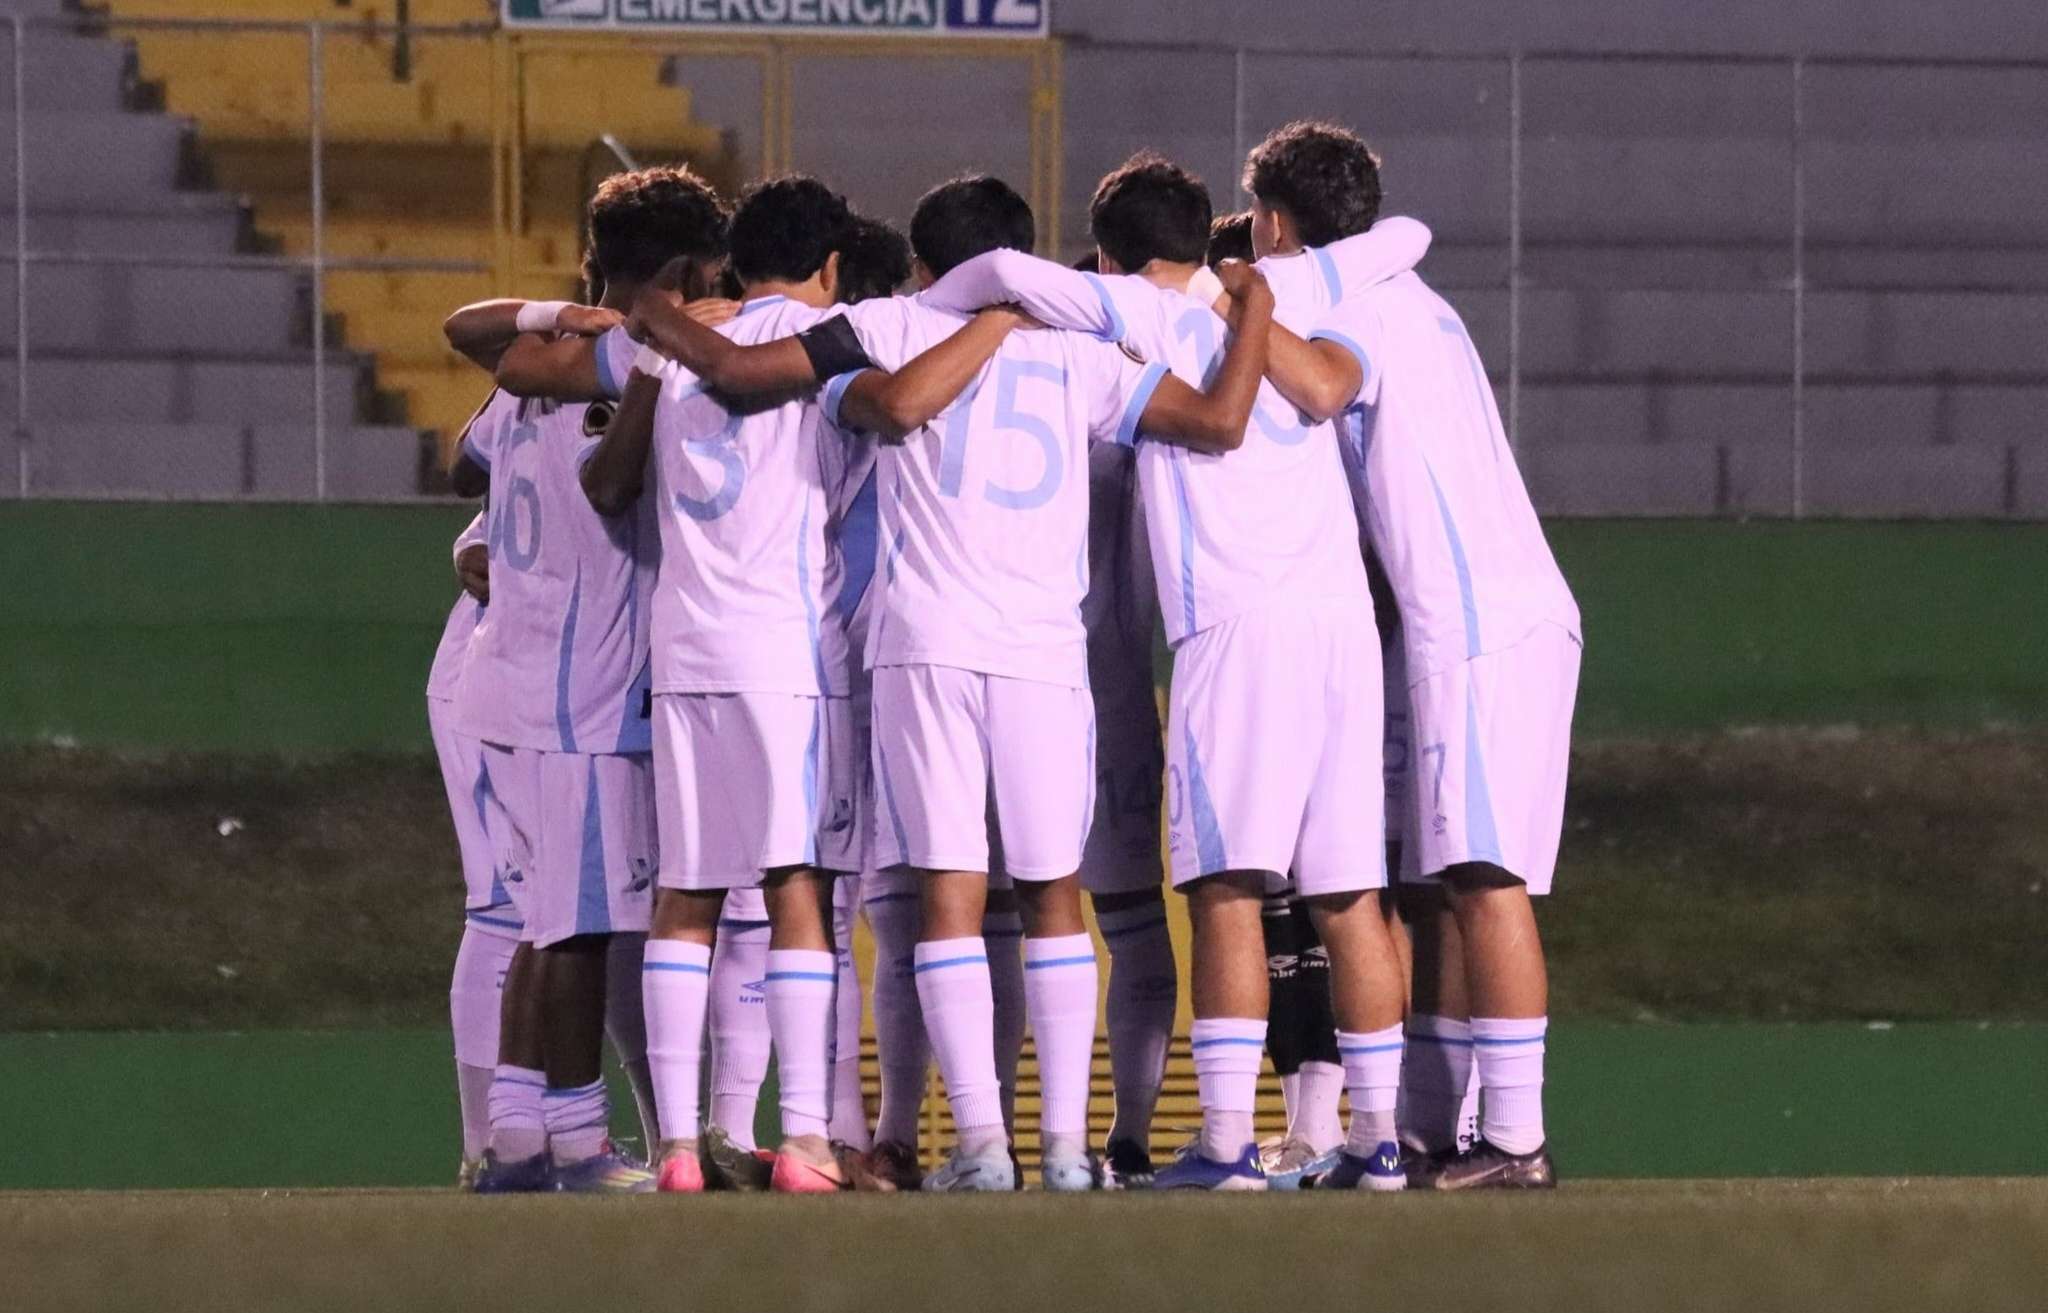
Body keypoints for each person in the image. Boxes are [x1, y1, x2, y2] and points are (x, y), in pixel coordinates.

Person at [627, 173, 1274, 1191]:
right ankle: (1063, 1148)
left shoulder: (884, 322)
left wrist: (651, 309)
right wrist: (1252, 318)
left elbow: (859, 400)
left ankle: (979, 1143)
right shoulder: (1079, 350)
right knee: (1054, 892)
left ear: (924, 265)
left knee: (947, 898)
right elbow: (1217, 422)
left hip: (919, 643)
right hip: (1044, 653)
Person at [919, 151, 1433, 1192]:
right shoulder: (1270, 302)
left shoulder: (1125, 309)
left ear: (1107, 252)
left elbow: (998, 271)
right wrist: (1236, 281)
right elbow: (1405, 235)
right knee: (1346, 893)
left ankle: (1225, 1147)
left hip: (1235, 628)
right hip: (1337, 625)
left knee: (1225, 885)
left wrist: (939, 306)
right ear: (1208, 232)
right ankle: (1376, 1141)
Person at [585, 175, 1027, 1193]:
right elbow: (895, 419)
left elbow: (611, 483)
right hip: (786, 650)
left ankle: (683, 1149)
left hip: (682, 647)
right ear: (831, 263)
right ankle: (806, 1139)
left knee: (684, 898)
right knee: (798, 893)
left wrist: (647, 318)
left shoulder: (685, 342)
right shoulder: (830, 343)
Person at [1237, 120, 1582, 1189]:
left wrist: (1225, 301)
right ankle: (1434, 1128)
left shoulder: (1361, 307)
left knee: (1485, 876)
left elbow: (1322, 387)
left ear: (1275, 223)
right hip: (1478, 618)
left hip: (1475, 625)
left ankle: (1515, 1139)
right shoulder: (1414, 298)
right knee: (1432, 885)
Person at [439, 165, 731, 1194]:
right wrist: (649, 360)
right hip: (579, 694)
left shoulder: (536, 362)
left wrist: (556, 314)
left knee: (541, 919)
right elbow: (608, 489)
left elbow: (461, 455)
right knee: (576, 929)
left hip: (506, 682)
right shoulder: (617, 363)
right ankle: (574, 1139)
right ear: (693, 270)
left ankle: (517, 1134)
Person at [426, 511, 524, 1188]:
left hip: (581, 677)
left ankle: (539, 1134)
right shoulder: (554, 411)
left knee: (596, 907)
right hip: (491, 674)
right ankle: (490, 1144)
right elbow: (477, 552)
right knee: (505, 905)